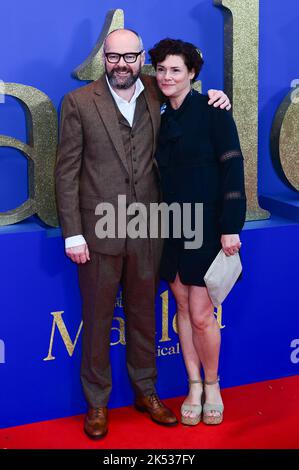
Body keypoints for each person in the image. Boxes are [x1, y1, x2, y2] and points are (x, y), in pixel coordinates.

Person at [55, 28, 231, 439]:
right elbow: (65, 173)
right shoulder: (79, 103)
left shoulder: (156, 91)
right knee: (97, 321)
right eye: (114, 57)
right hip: (98, 230)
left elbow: (190, 96)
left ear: (141, 60)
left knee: (144, 318)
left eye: (130, 57)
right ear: (104, 59)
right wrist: (72, 233)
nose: (122, 64)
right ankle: (97, 403)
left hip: (150, 230)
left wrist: (217, 97)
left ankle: (146, 391)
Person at [148, 38, 246, 426]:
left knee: (203, 315)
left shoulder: (213, 110)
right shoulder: (161, 116)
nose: (167, 76)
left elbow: (233, 169)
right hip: (170, 227)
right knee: (183, 310)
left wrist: (230, 227)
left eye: (176, 69)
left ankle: (213, 385)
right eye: (161, 69)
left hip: (207, 227)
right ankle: (192, 385)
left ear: (192, 73)